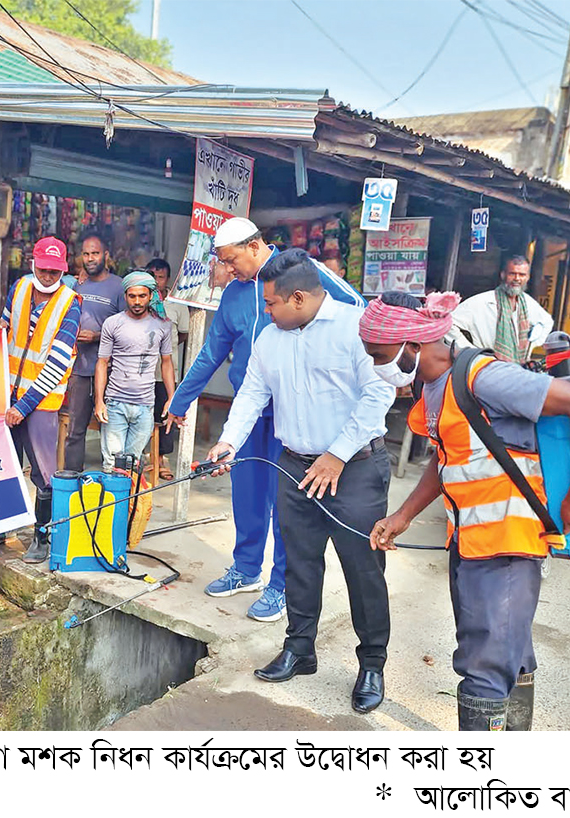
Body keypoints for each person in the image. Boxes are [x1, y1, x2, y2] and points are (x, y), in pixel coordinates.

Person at [360, 291, 570, 730]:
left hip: (507, 544)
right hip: (471, 540)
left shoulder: (484, 377)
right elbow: (449, 458)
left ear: (413, 346)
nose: (375, 363)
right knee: (507, 647)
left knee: (484, 663)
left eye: (378, 354)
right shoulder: (435, 385)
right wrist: (403, 516)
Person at [205, 248, 394, 713]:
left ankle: (371, 663)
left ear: (297, 298)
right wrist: (228, 442)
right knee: (300, 565)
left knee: (363, 571)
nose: (264, 312)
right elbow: (252, 392)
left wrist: (336, 454)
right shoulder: (271, 338)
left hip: (355, 470)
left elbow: (379, 393)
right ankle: (299, 648)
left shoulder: (356, 327)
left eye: (269, 303)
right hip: (294, 466)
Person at [168, 220, 365, 624]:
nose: (227, 271)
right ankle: (246, 567)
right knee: (247, 493)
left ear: (254, 246)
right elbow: (211, 353)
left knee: (286, 502)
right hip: (249, 408)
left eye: (231, 261)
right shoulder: (235, 296)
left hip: (294, 411)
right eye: (222, 263)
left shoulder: (299, 273)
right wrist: (181, 399)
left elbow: (356, 308)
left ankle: (281, 584)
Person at [0, 236, 82, 565]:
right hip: (8, 391)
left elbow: (58, 363)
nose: (48, 276)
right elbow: (6, 322)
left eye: (54, 271)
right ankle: (1, 528)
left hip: (41, 401)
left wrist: (24, 405)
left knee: (44, 473)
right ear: (33, 264)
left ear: (62, 269)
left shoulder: (69, 303)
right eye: (44, 269)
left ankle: (42, 537)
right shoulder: (19, 288)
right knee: (5, 463)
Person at [95, 271, 175, 468]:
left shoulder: (163, 325)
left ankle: (128, 500)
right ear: (125, 297)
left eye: (142, 296)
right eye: (132, 296)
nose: (137, 301)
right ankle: (115, 499)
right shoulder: (113, 324)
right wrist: (99, 401)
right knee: (112, 464)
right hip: (115, 403)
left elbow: (166, 362)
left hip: (145, 405)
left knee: (132, 464)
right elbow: (102, 363)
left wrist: (171, 397)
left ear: (150, 296)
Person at [63, 233, 126, 472]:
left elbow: (128, 327)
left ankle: (113, 486)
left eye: (95, 253)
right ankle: (70, 482)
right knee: (75, 431)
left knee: (112, 434)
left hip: (111, 371)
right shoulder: (74, 284)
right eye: (86, 254)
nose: (90, 258)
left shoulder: (120, 286)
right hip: (78, 369)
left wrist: (98, 336)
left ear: (106, 255)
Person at [449, 255, 553, 363]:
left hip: (519, 368)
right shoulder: (482, 301)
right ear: (503, 275)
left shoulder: (526, 302)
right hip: (486, 366)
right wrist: (470, 352)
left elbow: (546, 322)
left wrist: (532, 344)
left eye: (522, 275)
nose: (517, 279)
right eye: (512, 274)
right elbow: (449, 324)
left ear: (527, 277)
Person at [147, 258, 188, 479]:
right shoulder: (141, 298)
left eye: (160, 277)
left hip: (167, 370)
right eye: (152, 275)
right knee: (144, 414)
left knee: (165, 414)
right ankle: (144, 457)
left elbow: (183, 333)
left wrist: (167, 349)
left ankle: (162, 459)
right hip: (142, 370)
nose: (155, 281)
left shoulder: (177, 304)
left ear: (167, 279)